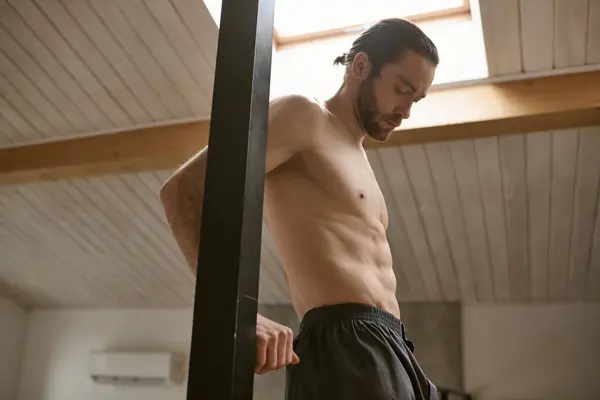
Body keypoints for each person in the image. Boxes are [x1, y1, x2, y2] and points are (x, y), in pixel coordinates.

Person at [160, 17, 439, 400]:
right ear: (361, 66)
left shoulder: (358, 158)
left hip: (394, 346)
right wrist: (232, 311)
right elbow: (182, 191)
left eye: (416, 99)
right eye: (401, 89)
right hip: (346, 343)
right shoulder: (303, 116)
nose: (406, 110)